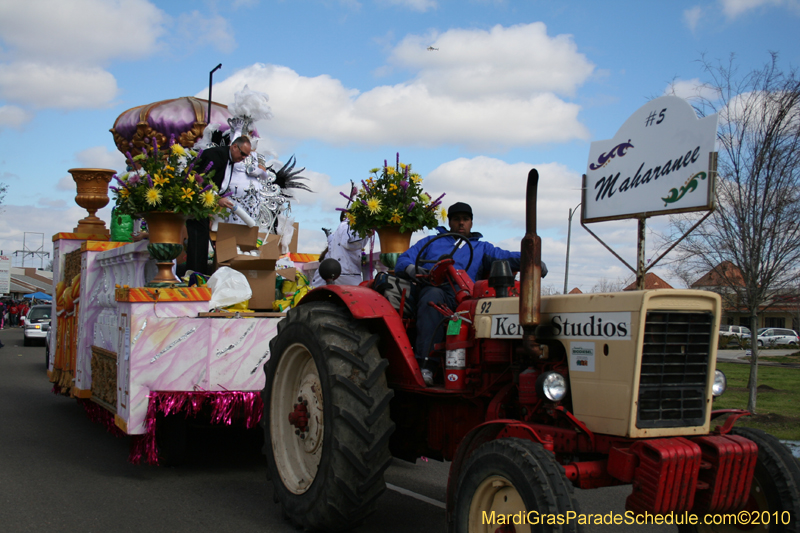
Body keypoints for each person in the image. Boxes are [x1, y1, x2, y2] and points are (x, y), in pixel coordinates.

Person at [395, 202, 547, 386]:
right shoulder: (430, 242)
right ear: (449, 222)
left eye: (465, 219)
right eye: (457, 219)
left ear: (471, 223)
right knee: (431, 299)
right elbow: (403, 259)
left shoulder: (481, 247)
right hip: (433, 289)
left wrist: (531, 259)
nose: (461, 223)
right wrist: (413, 269)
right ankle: (426, 365)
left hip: (464, 296)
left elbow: (506, 256)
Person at [185, 136, 251, 275]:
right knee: (198, 241)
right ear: (234, 147)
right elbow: (200, 180)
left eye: (246, 156)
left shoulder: (228, 160)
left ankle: (198, 274)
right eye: (242, 153)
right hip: (193, 201)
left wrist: (209, 210)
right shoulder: (215, 155)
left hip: (203, 205)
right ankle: (194, 276)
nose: (243, 158)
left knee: (202, 241)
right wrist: (217, 198)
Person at [311, 213, 372, 287]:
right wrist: (366, 234)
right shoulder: (345, 225)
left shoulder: (339, 232)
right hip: (347, 274)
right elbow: (350, 242)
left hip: (343, 274)